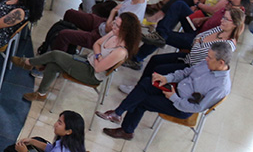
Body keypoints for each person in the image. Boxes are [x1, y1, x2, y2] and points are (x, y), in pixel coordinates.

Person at [99, 42, 233, 141]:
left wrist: (174, 97)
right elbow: (186, 72)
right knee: (146, 82)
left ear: (221, 63)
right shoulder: (207, 63)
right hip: (175, 88)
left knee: (142, 101)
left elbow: (197, 107)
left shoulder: (221, 86)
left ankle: (126, 130)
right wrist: (166, 78)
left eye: (209, 57)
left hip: (181, 106)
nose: (206, 59)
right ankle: (118, 113)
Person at [16, 12, 141, 103]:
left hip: (91, 74)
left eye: (118, 26)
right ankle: (41, 93)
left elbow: (98, 68)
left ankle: (28, 62)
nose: (113, 26)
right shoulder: (113, 35)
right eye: (115, 23)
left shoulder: (120, 51)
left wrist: (97, 56)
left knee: (55, 55)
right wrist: (98, 55)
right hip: (89, 60)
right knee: (54, 63)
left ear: (126, 30)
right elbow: (96, 44)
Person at [41, 0, 152, 55]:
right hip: (103, 24)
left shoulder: (132, 15)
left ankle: (54, 62)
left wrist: (113, 12)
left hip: (103, 38)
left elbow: (109, 29)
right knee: (70, 14)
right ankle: (68, 49)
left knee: (64, 34)